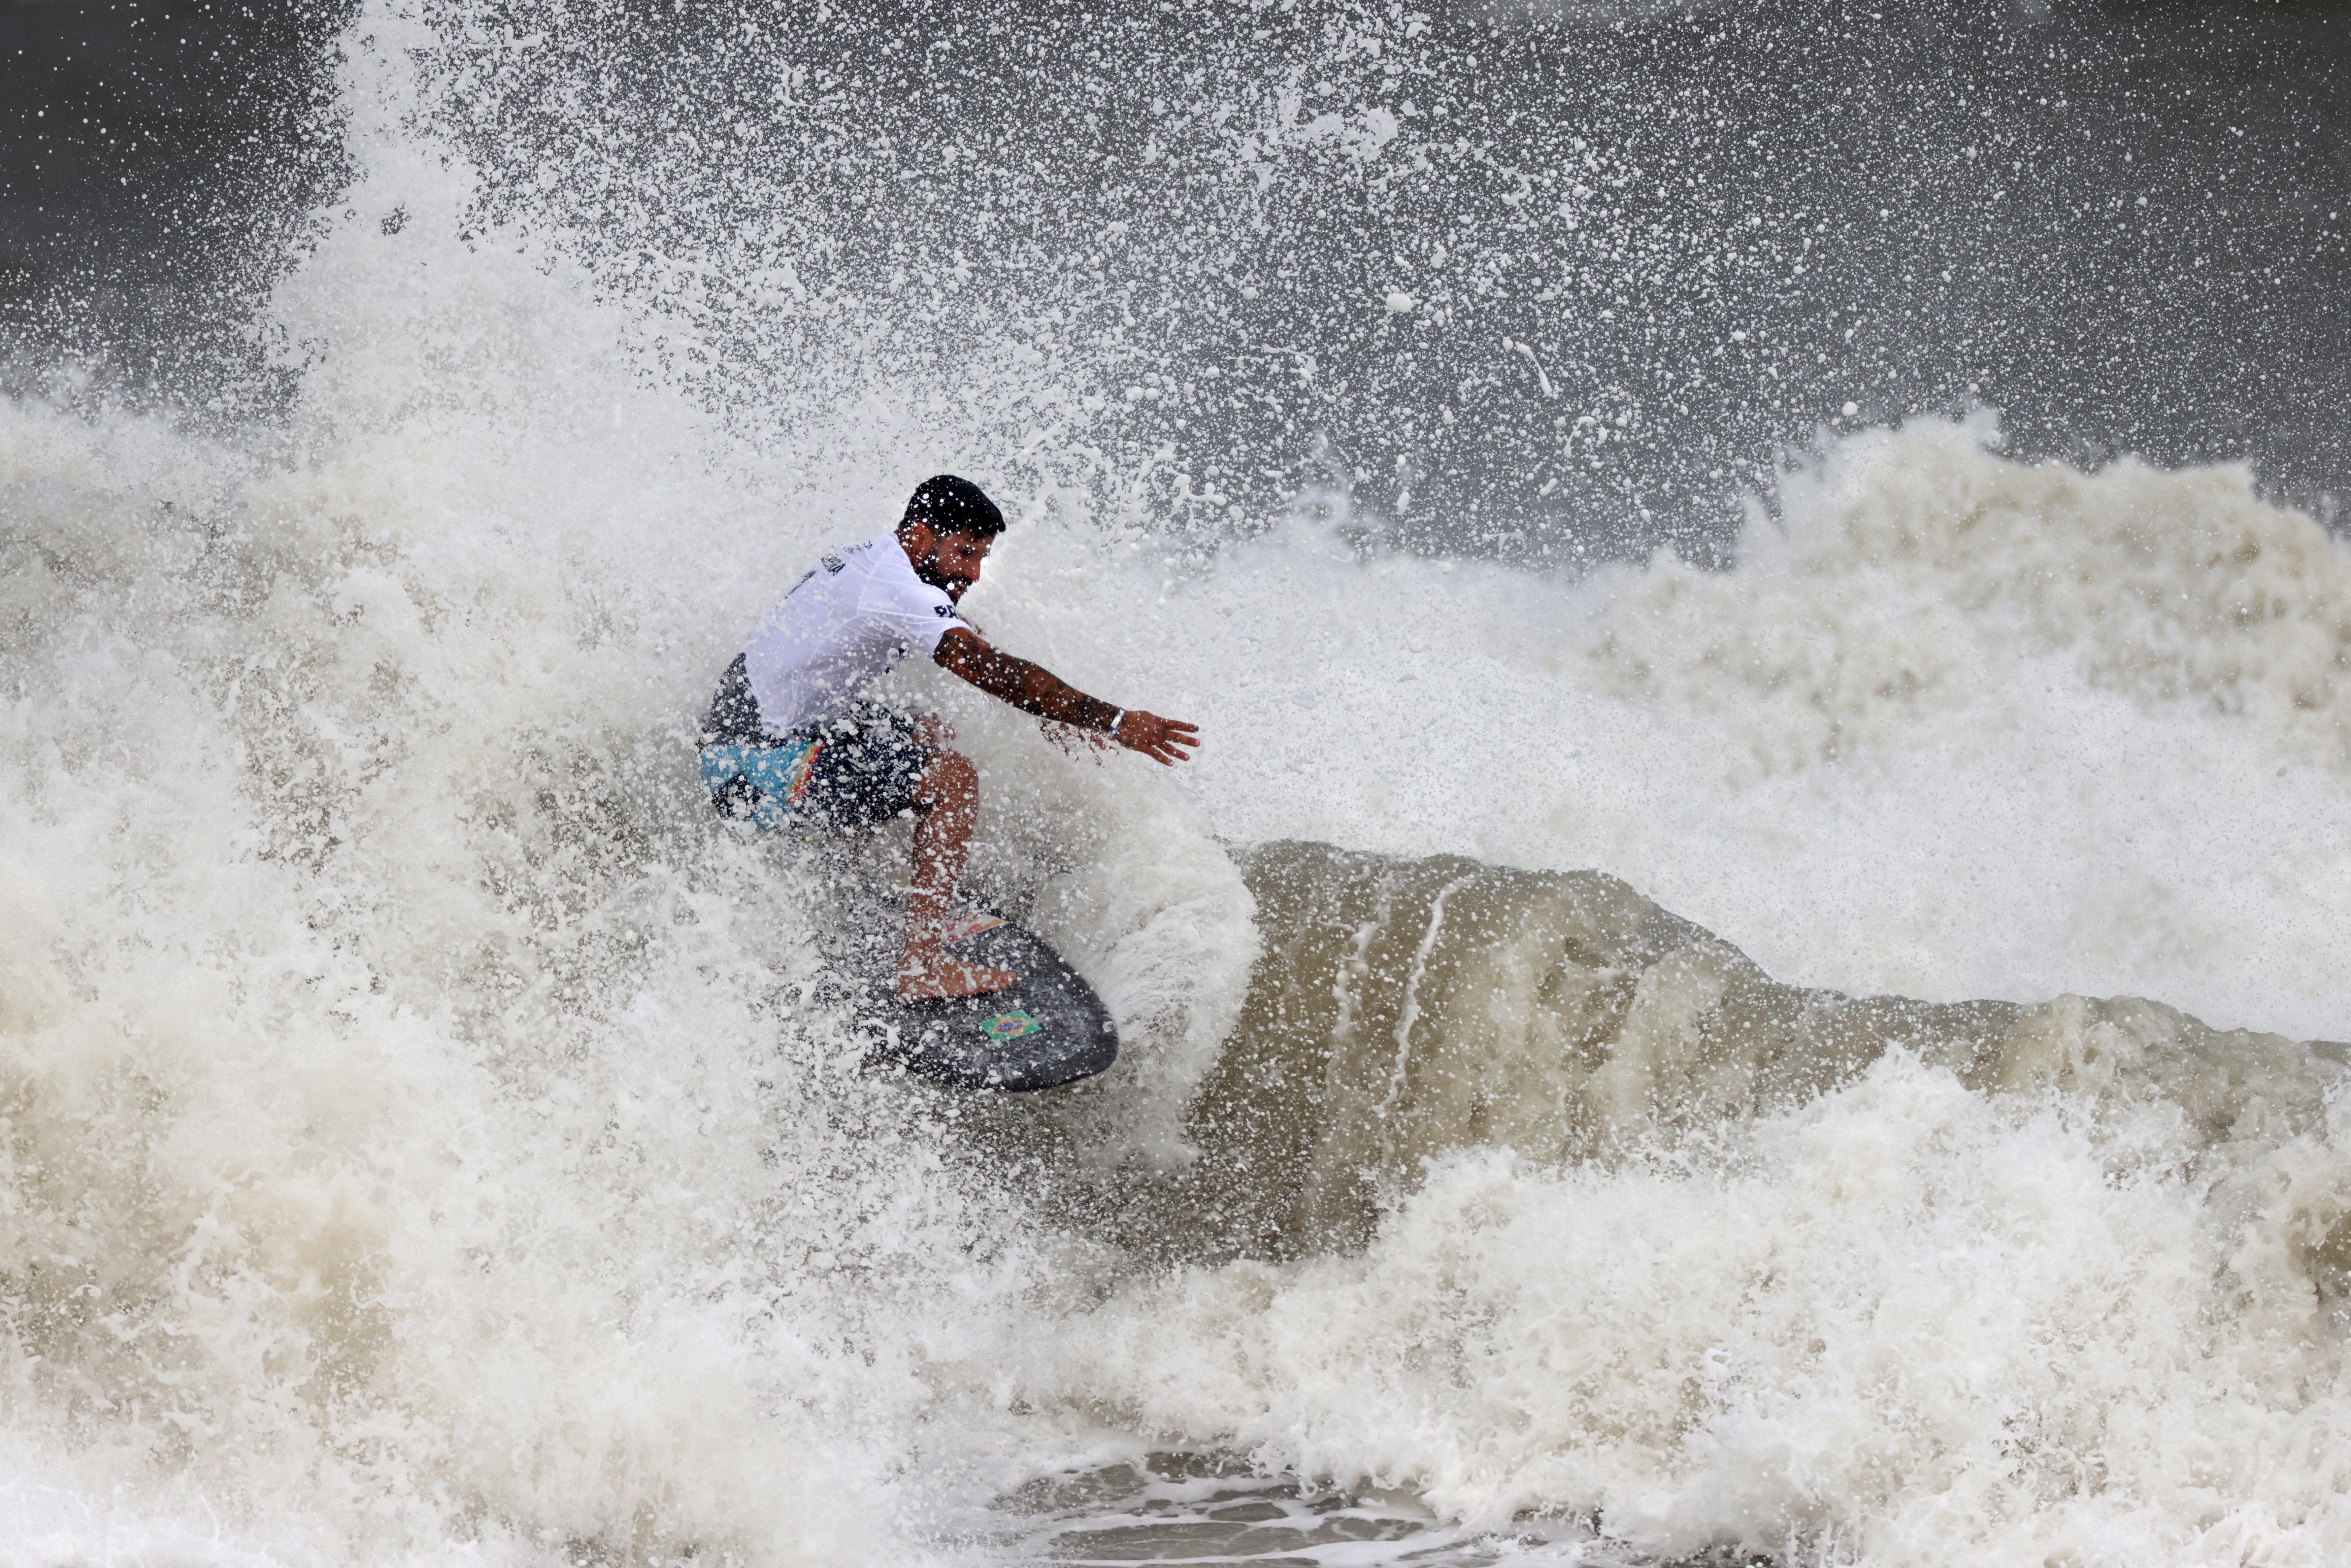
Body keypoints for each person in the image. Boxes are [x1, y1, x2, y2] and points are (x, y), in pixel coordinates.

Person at [697, 475, 1200, 1001]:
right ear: (919, 535)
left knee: (921, 730)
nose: (973, 573)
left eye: (982, 556)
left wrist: (1055, 713)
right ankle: (922, 968)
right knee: (953, 780)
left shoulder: (880, 561)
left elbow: (971, 637)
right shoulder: (893, 586)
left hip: (750, 743)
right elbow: (985, 666)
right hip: (748, 772)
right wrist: (1113, 722)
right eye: (964, 552)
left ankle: (855, 885)